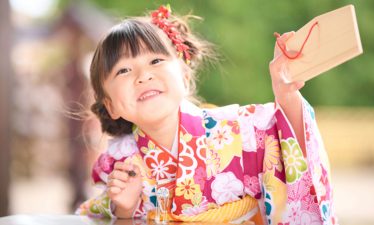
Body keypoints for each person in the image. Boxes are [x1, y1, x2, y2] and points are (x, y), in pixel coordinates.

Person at [76, 5, 336, 225]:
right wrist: (124, 213)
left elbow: (290, 146)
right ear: (111, 106)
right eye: (123, 70)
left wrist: (286, 93)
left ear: (185, 77)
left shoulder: (243, 131)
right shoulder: (118, 164)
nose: (143, 75)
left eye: (155, 61)